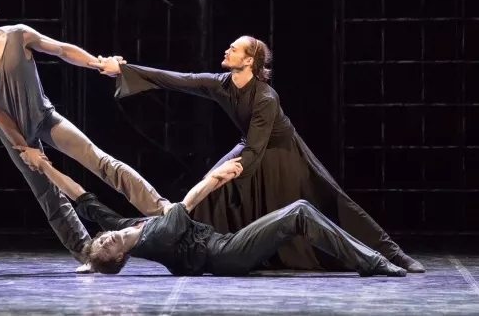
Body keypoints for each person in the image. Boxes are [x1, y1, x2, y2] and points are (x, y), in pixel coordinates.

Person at [88, 36, 425, 273]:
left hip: (282, 152)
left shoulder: (265, 98)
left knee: (328, 199)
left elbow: (256, 148)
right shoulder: (221, 83)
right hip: (250, 146)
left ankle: (392, 253)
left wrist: (231, 172)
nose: (227, 50)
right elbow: (179, 80)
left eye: (234, 49)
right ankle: (217, 252)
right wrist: (125, 70)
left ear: (249, 61)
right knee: (210, 193)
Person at [0, 0, 170, 271]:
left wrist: (98, 63)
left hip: (45, 118)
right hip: (14, 135)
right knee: (48, 194)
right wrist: (24, 147)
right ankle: (88, 254)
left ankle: (162, 208)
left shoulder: (18, 35)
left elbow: (62, 50)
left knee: (99, 160)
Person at [13, 145, 407, 278]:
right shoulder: (155, 239)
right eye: (108, 246)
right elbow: (189, 202)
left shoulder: (127, 225)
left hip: (224, 242)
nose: (107, 237)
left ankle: (368, 258)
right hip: (226, 255)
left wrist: (44, 166)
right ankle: (373, 262)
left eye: (102, 238)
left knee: (296, 212)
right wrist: (217, 177)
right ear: (120, 258)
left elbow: (81, 196)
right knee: (299, 212)